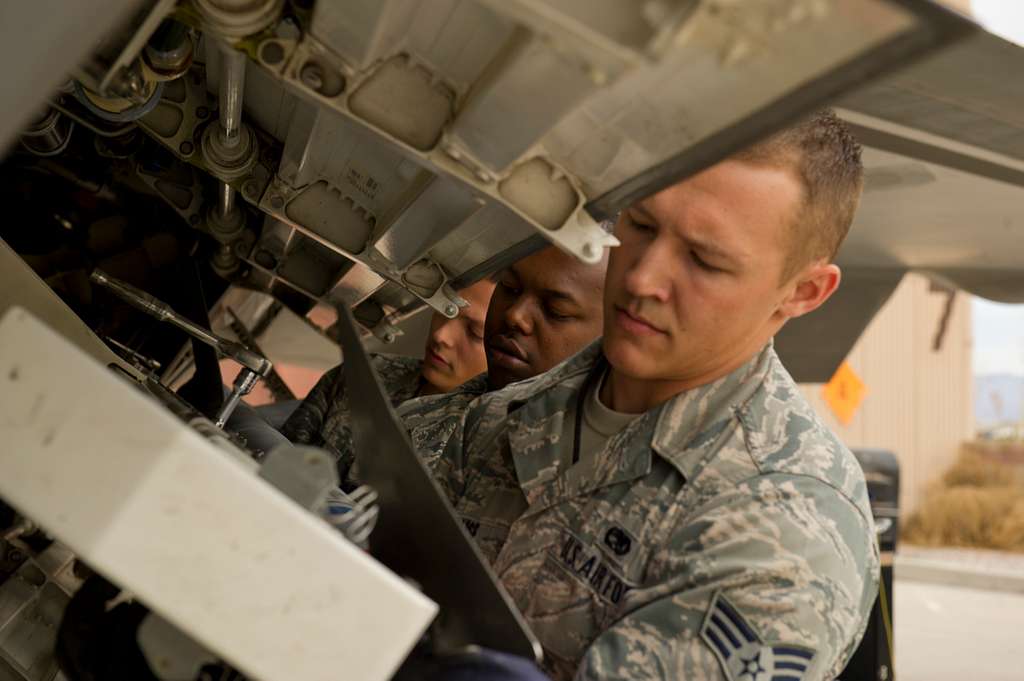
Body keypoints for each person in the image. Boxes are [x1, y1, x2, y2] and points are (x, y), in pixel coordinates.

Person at [431, 111, 880, 681]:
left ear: (801, 292)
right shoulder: (508, 414)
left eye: (704, 260)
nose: (642, 277)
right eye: (641, 226)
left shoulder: (787, 531)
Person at [396, 244, 608, 468]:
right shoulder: (416, 419)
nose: (515, 315)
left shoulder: (590, 468)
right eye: (510, 287)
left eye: (556, 311)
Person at [280, 277, 496, 466]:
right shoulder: (367, 373)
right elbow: (279, 456)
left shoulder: (478, 449)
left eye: (475, 332)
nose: (441, 335)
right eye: (443, 311)